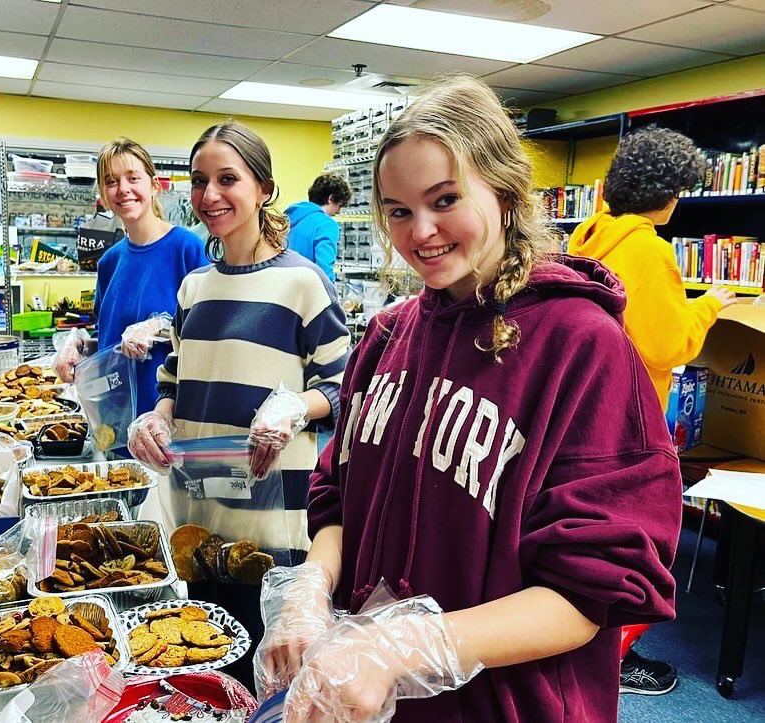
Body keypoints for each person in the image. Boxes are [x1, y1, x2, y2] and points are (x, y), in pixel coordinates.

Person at [254, 76, 682, 722]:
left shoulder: (581, 344)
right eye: (398, 210)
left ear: (504, 190)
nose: (420, 231)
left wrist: (405, 644)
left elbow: (592, 589)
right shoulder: (387, 335)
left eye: (444, 199)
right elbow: (336, 494)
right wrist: (312, 584)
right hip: (380, 704)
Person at [127, 121, 351, 690]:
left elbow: (345, 387)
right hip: (201, 520)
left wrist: (296, 407)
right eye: (200, 181)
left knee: (273, 682)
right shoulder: (195, 287)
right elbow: (174, 378)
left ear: (265, 189)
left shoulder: (304, 284)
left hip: (275, 525)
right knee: (209, 672)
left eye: (229, 179)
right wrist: (157, 416)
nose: (210, 196)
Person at [568, 126, 736, 695]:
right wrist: (710, 304)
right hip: (632, 417)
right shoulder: (653, 250)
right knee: (643, 548)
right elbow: (668, 345)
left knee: (592, 541)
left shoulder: (591, 235)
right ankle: (611, 660)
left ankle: (583, 648)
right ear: (668, 193)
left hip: (585, 410)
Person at [56, 137, 208, 419]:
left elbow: (210, 330)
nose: (123, 189)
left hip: (168, 419)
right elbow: (110, 341)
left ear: (153, 185)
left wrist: (160, 326)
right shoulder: (110, 262)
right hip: (116, 419)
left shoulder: (187, 249)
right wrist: (79, 346)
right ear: (103, 193)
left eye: (132, 178)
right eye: (111, 181)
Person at [284, 173, 352, 281]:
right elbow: (324, 269)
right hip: (307, 289)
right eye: (339, 205)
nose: (339, 211)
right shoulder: (326, 224)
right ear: (331, 198)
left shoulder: (287, 218)